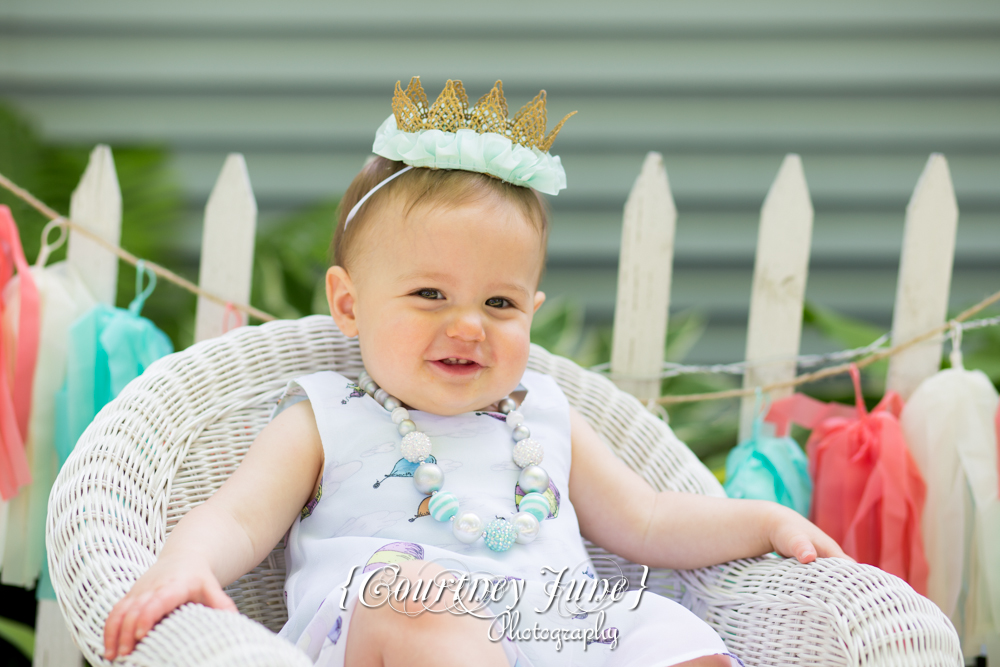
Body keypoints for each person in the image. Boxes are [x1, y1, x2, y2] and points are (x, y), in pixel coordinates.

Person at [103, 78, 848, 667]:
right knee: (417, 597)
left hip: (562, 635)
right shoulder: (323, 416)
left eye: (500, 301)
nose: (467, 324)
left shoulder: (546, 414)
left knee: (662, 629)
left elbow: (649, 518)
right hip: (396, 630)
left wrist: (762, 519)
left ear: (534, 308)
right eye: (430, 294)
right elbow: (235, 515)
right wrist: (183, 564)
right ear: (350, 302)